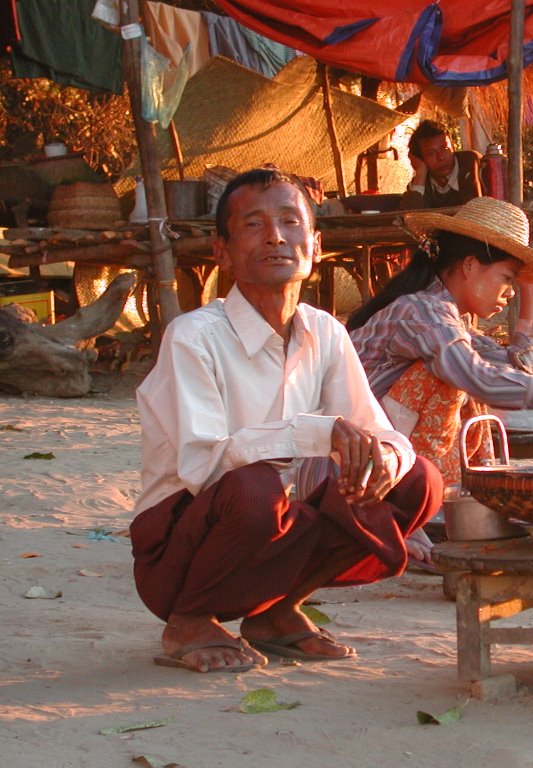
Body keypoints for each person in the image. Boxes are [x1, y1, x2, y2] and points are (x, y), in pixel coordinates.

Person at [130, 168, 443, 674]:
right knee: (253, 487)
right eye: (253, 224)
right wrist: (318, 433)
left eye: (290, 221)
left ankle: (275, 612)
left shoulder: (324, 331)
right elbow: (203, 465)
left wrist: (385, 459)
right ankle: (189, 620)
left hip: (269, 533)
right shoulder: (193, 337)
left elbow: (376, 429)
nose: (275, 236)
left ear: (315, 245)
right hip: (178, 552)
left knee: (417, 479)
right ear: (221, 251)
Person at [347, 195, 533, 497]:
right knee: (448, 380)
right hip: (352, 458)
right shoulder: (421, 313)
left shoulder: (450, 321)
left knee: (463, 375)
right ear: (470, 265)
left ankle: (452, 493)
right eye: (506, 278)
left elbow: (520, 369)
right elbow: (482, 380)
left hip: (377, 449)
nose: (510, 292)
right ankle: (426, 498)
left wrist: (531, 294)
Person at [398, 120, 483, 210]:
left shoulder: (469, 162)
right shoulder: (421, 182)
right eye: (431, 153)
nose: (441, 157)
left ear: (453, 146)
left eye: (445, 148)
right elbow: (405, 218)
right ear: (421, 159)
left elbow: (476, 212)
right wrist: (421, 171)